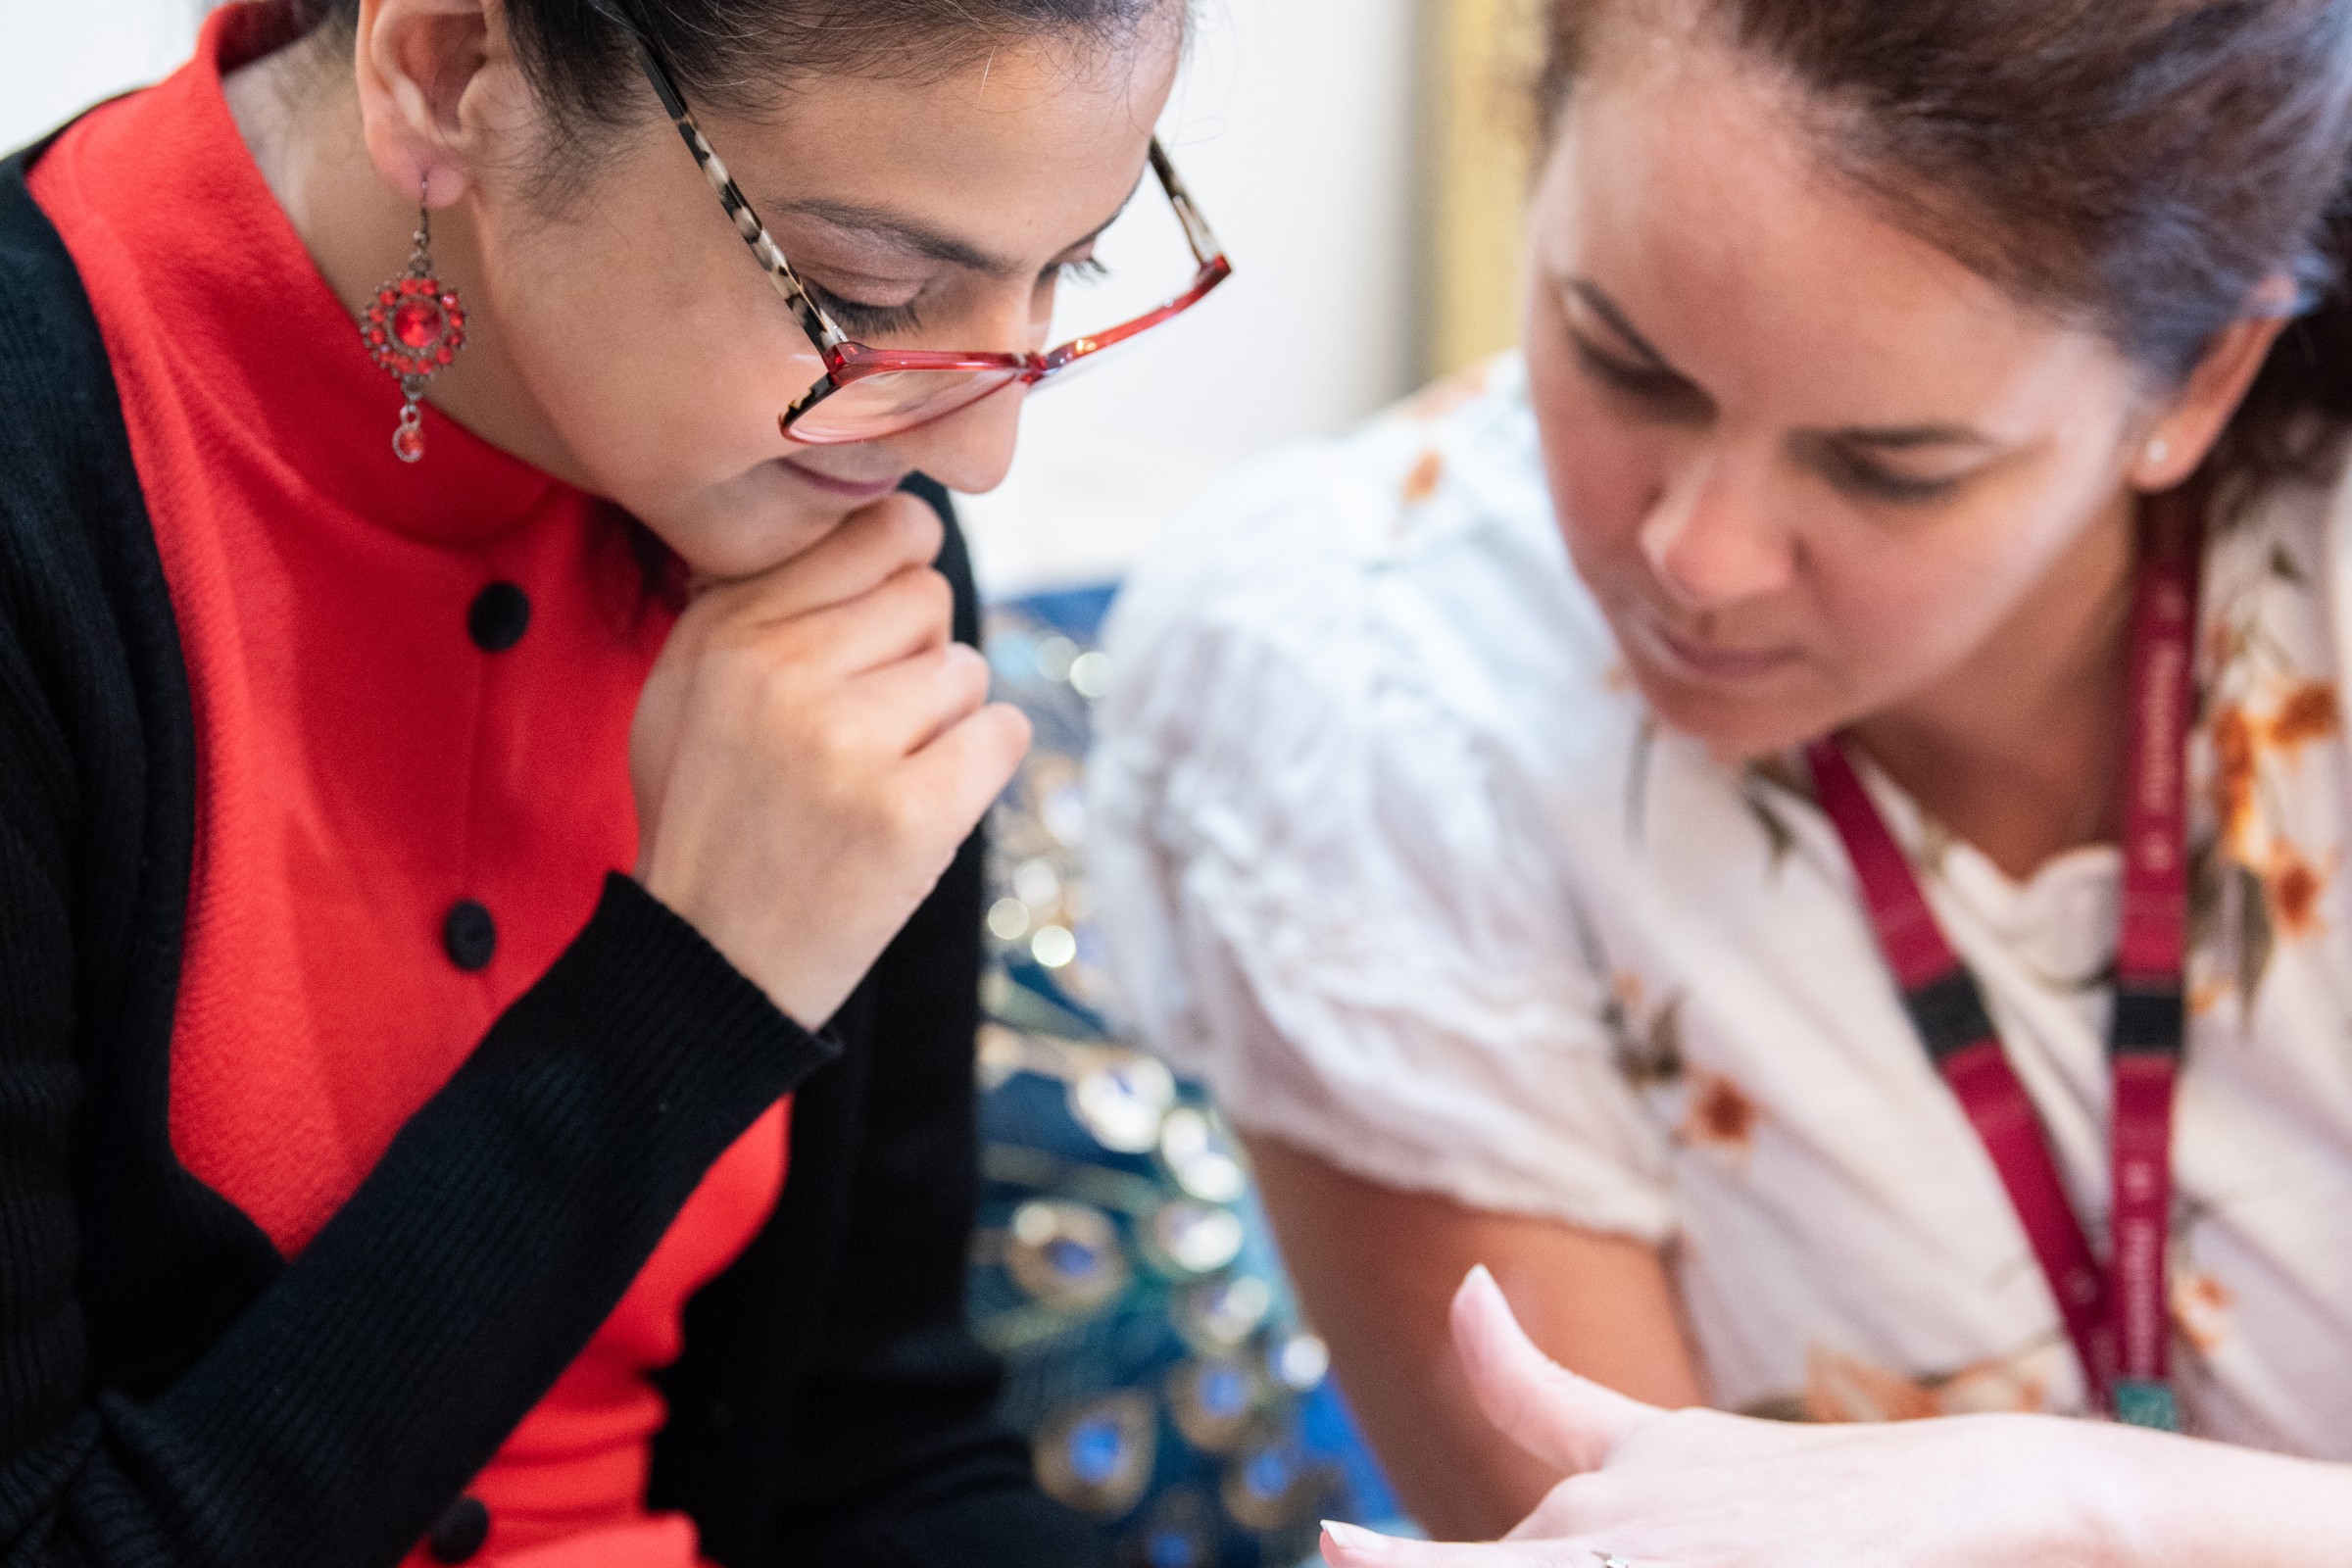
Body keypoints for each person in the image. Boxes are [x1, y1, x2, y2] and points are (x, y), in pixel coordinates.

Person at [1088, 0, 2352, 1557]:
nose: (1699, 557)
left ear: (2205, 381)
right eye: (1624, 364)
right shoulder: (1360, 684)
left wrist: (2085, 1508)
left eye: (1888, 466)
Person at [0, 0, 1225, 1562]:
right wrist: (697, 986)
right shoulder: (44, 496)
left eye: (1072, 272)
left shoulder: (843, 507)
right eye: (866, 295)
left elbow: (871, 1465)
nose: (978, 454)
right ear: (448, 69)